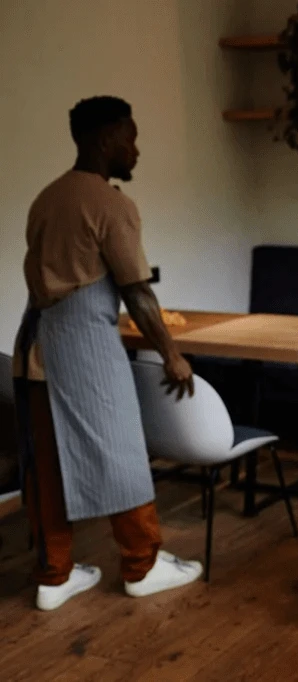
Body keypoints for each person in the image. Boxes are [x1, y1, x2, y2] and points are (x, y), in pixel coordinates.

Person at [12, 96, 202, 612]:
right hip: (86, 348)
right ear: (105, 140)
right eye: (129, 138)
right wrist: (172, 355)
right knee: (120, 451)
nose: (135, 150)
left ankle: (55, 575)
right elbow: (137, 292)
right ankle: (141, 564)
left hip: (35, 350)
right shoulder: (110, 204)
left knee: (47, 466)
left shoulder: (46, 199)